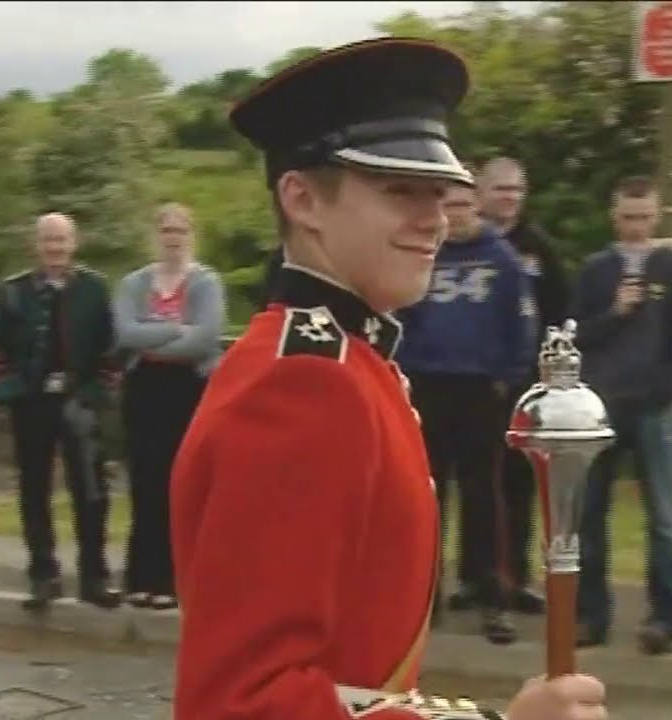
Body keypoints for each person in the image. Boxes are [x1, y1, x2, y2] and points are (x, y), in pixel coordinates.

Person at [170, 37, 607, 720]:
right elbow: (243, 704)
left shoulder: (350, 362)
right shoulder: (305, 388)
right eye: (401, 190)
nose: (434, 218)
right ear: (303, 199)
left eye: (440, 192)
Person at [395, 177, 536, 644]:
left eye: (464, 205)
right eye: (448, 205)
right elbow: (401, 316)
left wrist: (508, 376)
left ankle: (492, 597)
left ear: (477, 208)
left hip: (481, 389)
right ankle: (423, 598)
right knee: (427, 494)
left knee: (484, 496)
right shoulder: (423, 255)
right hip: (428, 384)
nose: (455, 214)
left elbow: (521, 324)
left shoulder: (502, 260)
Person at [568, 174, 672, 655]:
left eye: (645, 218)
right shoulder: (596, 270)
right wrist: (615, 313)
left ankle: (666, 617)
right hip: (601, 405)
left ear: (657, 216)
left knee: (663, 515)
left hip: (655, 407)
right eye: (628, 218)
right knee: (588, 515)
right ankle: (590, 615)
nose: (637, 228)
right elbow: (573, 334)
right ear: (614, 215)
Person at [0, 212, 121, 611]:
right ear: (37, 245)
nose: (55, 249)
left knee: (91, 491)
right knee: (34, 488)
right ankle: (43, 574)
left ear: (73, 244)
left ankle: (94, 576)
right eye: (48, 241)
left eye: (62, 241)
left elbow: (109, 350)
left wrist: (95, 394)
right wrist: (14, 389)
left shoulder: (94, 289)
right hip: (32, 402)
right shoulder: (13, 292)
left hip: (80, 400)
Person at [113, 201, 226, 611]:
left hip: (188, 389)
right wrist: (177, 328)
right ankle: (140, 575)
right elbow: (125, 332)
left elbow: (207, 336)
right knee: (146, 481)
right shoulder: (134, 283)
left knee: (181, 480)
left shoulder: (205, 282)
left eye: (180, 231)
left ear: (190, 235)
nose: (173, 239)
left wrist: (155, 335)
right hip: (144, 388)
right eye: (166, 231)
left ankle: (172, 579)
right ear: (155, 236)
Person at [474, 156, 570, 616]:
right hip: (475, 384)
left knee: (518, 484)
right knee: (477, 485)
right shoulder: (464, 244)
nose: (509, 198)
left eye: (516, 190)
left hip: (526, 386)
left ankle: (518, 576)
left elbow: (559, 315)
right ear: (480, 191)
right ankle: (478, 578)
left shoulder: (537, 248)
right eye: (500, 189)